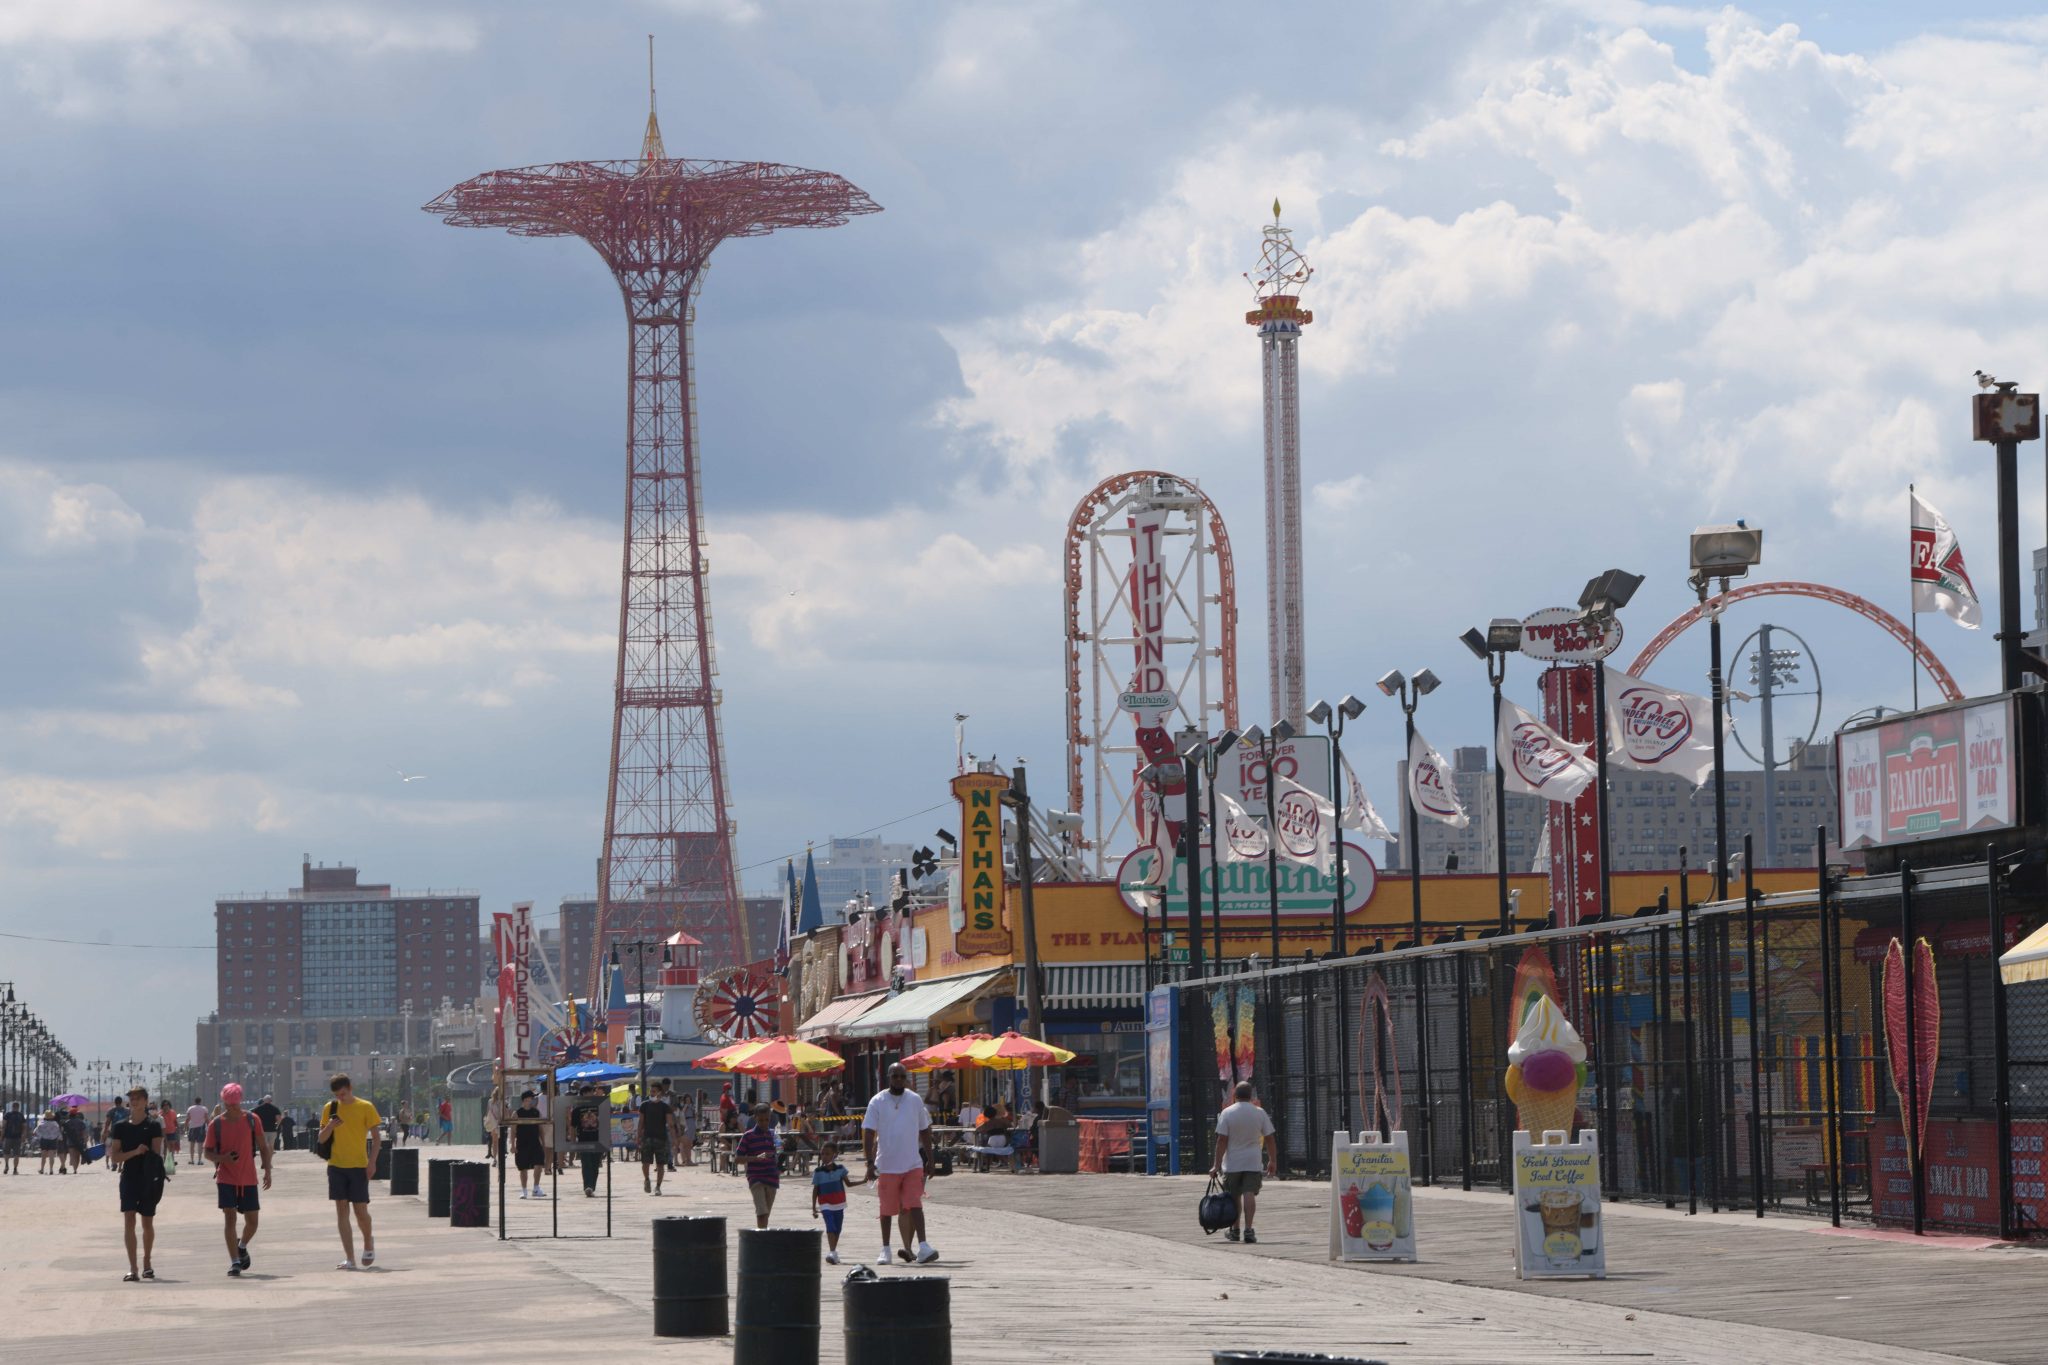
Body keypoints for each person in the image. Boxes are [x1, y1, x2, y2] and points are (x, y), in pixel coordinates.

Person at [861, 1062, 938, 1264]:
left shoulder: (914, 1100)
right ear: (888, 1077)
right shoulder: (877, 1101)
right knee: (886, 1210)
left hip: (913, 1163)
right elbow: (868, 1132)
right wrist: (869, 1162)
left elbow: (924, 1131)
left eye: (902, 1077)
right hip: (886, 1165)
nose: (899, 1080)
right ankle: (885, 1249)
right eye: (895, 1076)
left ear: (907, 1079)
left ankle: (923, 1246)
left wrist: (930, 1159)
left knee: (915, 1204)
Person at [205, 1083, 272, 1277]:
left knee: (253, 1221)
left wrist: (267, 1169)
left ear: (240, 1101)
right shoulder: (215, 1124)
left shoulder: (252, 1119)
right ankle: (234, 1262)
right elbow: (207, 1152)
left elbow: (263, 1146)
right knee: (230, 1218)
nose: (232, 1107)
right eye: (229, 1104)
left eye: (235, 1104)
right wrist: (222, 1158)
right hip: (226, 1178)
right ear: (224, 1102)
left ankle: (241, 1246)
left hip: (249, 1178)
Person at [317, 1073, 382, 1270]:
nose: (341, 1098)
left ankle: (368, 1241)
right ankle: (350, 1258)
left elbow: (377, 1138)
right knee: (341, 1210)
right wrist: (330, 1125)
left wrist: (372, 1163)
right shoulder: (331, 1108)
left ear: (350, 1088)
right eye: (337, 1095)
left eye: (343, 1094)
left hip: (358, 1166)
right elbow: (321, 1139)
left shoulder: (365, 1107)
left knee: (360, 1211)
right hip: (336, 1165)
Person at [109, 1086, 165, 1282]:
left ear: (145, 1100)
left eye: (138, 1098)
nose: (134, 1101)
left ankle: (147, 1262)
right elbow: (114, 1157)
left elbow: (157, 1156)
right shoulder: (120, 1126)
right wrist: (134, 1152)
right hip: (129, 1178)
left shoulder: (154, 1126)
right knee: (129, 1220)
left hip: (149, 1178)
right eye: (132, 1098)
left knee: (147, 1222)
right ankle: (133, 1268)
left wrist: (147, 1152)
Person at [1210, 1081, 1277, 1244]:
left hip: (1232, 1163)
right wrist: (1272, 1160)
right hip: (1253, 1161)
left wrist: (1216, 1165)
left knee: (1234, 1196)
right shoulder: (1259, 1113)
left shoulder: (1227, 1113)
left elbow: (1221, 1141)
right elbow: (1269, 1138)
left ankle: (1235, 1230)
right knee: (1249, 1193)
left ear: (1234, 1095)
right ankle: (1249, 1229)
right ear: (1251, 1096)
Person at [736, 1103, 780, 1229]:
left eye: (766, 1120)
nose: (764, 1123)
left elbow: (780, 1151)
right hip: (756, 1178)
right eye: (761, 1120)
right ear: (755, 1118)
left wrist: (784, 1146)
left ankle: (762, 1236)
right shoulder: (748, 1136)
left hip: (772, 1178)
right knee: (762, 1212)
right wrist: (755, 1158)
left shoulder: (773, 1135)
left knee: (766, 1214)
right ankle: (760, 1238)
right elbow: (738, 1158)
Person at [810, 1140, 851, 1264]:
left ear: (835, 1155)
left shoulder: (840, 1169)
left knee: (837, 1228)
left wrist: (865, 1180)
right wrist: (813, 1207)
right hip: (825, 1203)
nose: (824, 1156)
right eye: (822, 1154)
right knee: (830, 1225)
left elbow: (848, 1184)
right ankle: (832, 1252)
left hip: (839, 1203)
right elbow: (815, 1190)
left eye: (827, 1154)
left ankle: (833, 1252)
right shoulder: (818, 1172)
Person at [638, 1083, 673, 1195]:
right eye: (651, 1091)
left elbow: (670, 1124)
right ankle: (647, 1179)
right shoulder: (644, 1105)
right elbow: (641, 1122)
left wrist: (674, 1138)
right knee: (645, 1162)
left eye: (654, 1091)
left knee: (660, 1164)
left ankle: (658, 1186)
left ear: (659, 1093)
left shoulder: (665, 1107)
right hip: (647, 1137)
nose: (651, 1093)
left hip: (661, 1138)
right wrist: (638, 1136)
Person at [570, 1085, 605, 1196]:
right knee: (586, 1164)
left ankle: (592, 1186)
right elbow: (572, 1127)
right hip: (583, 1140)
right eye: (588, 1093)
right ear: (583, 1095)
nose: (591, 1095)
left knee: (595, 1165)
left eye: (592, 1093)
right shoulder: (577, 1110)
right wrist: (572, 1141)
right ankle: (588, 1187)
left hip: (598, 1140)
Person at [513, 1090, 548, 1198]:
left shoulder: (536, 1112)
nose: (531, 1101)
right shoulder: (517, 1113)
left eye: (532, 1099)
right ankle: (524, 1190)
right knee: (522, 1168)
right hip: (522, 1143)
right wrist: (512, 1145)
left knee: (538, 1165)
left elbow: (541, 1128)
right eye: (530, 1099)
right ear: (524, 1100)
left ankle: (536, 1188)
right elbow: (513, 1130)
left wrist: (543, 1142)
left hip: (535, 1143)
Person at [104, 1095, 131, 1170]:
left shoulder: (111, 1110)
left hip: (114, 1132)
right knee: (122, 1149)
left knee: (114, 1149)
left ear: (115, 1102)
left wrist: (105, 1131)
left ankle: (114, 1163)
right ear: (121, 1102)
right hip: (125, 1132)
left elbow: (107, 1122)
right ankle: (120, 1166)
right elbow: (130, 1121)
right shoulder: (127, 1110)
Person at [1, 1100, 24, 1174]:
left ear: (12, 1106)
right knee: (16, 1154)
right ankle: (15, 1169)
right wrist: (23, 1136)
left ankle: (6, 1165)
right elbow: (24, 1127)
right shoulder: (21, 1115)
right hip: (17, 1137)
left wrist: (1, 1136)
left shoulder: (7, 1114)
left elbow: (4, 1126)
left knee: (6, 1152)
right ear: (18, 1107)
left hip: (8, 1137)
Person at [35, 1109, 61, 1173]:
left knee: (43, 1156)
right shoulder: (55, 1124)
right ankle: (51, 1169)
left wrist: (41, 1136)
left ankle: (42, 1169)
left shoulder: (41, 1124)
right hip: (52, 1140)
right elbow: (58, 1132)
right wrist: (59, 1137)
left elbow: (36, 1132)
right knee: (51, 1156)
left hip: (44, 1140)